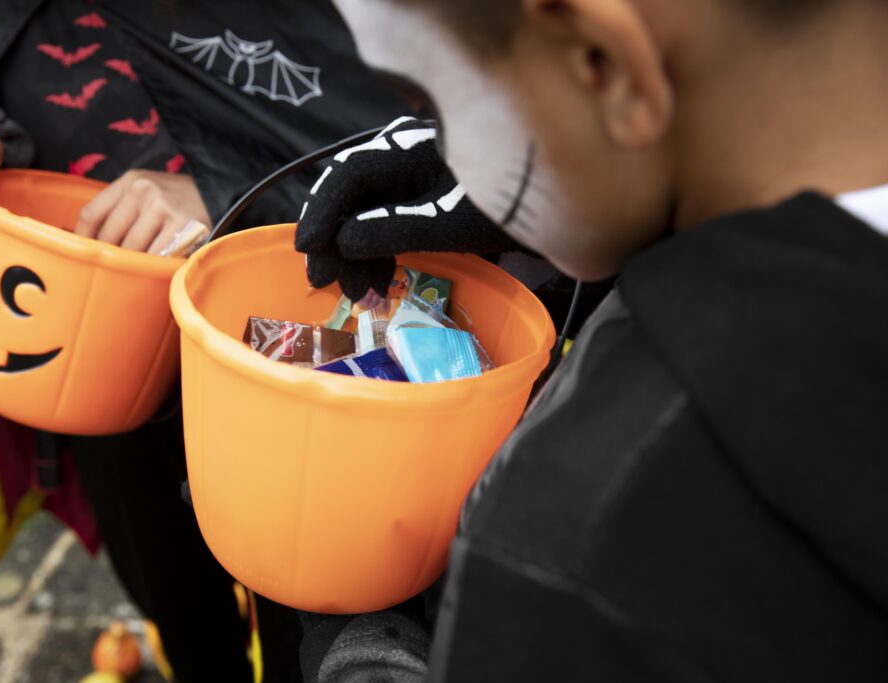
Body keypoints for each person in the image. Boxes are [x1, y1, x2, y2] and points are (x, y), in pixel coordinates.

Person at [293, 0, 888, 679]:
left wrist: (364, 640)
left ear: (600, 63)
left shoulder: (562, 549)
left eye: (433, 98)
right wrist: (587, 157)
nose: (448, 139)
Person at [0, 1, 413, 680]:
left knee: (309, 619)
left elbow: (397, 120)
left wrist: (227, 191)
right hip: (89, 336)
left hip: (280, 337)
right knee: (169, 590)